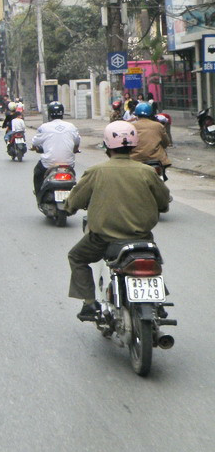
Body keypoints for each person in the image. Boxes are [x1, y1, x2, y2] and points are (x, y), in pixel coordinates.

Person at [64, 121, 171, 320]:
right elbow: (164, 202)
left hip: (103, 238)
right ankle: (158, 301)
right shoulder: (147, 172)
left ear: (106, 146)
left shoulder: (96, 172)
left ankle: (89, 303)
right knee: (151, 258)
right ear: (134, 145)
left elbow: (75, 200)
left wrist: (69, 207)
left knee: (76, 257)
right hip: (141, 238)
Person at [30, 101, 80, 195]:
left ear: (49, 114)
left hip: (49, 164)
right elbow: (77, 142)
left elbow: (35, 142)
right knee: (73, 176)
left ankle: (39, 193)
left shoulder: (44, 127)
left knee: (37, 173)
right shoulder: (71, 126)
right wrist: (75, 149)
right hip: (68, 164)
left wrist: (33, 147)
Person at [130, 102, 172, 179]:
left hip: (136, 159)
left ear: (136, 114)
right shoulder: (158, 125)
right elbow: (166, 143)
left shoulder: (131, 126)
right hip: (156, 159)